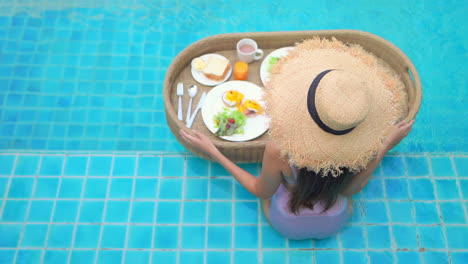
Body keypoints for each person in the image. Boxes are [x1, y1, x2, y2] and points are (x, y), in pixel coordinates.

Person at [180, 37, 414, 240]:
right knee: (341, 193)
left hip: (287, 224)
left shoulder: (278, 151)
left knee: (268, 195)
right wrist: (385, 145)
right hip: (336, 221)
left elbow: (261, 191)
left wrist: (214, 152)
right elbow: (353, 188)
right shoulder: (366, 147)